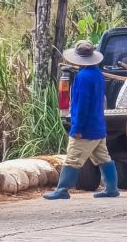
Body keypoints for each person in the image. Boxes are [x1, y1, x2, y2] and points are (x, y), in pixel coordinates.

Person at [43, 39, 120, 200]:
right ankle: (112, 188)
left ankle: (63, 188)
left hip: (86, 128)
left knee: (73, 157)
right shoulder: (97, 74)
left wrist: (77, 127)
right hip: (98, 126)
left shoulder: (83, 77)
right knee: (103, 157)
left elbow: (82, 105)